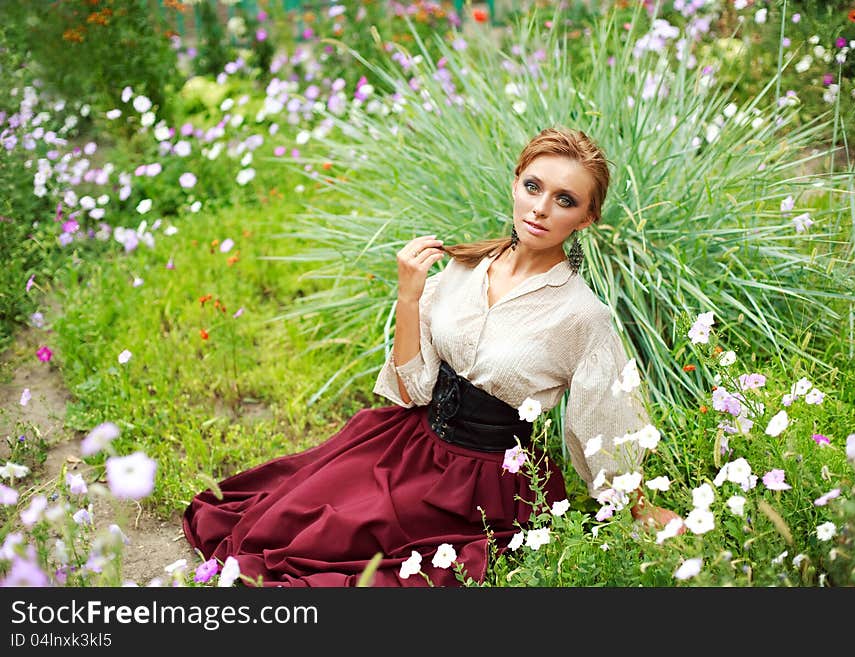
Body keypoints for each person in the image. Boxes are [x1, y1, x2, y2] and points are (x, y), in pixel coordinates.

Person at [183, 126, 679, 588]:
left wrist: (636, 506)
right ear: (515, 183)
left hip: (484, 483)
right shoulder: (464, 269)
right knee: (289, 521)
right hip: (411, 443)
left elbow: (603, 421)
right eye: (533, 186)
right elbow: (412, 390)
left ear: (586, 219)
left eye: (564, 200)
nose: (541, 208)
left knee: (350, 552)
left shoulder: (582, 317)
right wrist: (408, 297)